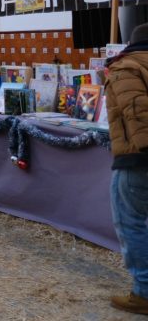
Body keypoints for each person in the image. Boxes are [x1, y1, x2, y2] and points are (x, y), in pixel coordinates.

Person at [105, 24, 148, 314]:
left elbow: (138, 111)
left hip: (137, 159)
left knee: (129, 221)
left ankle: (144, 292)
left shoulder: (127, 67)